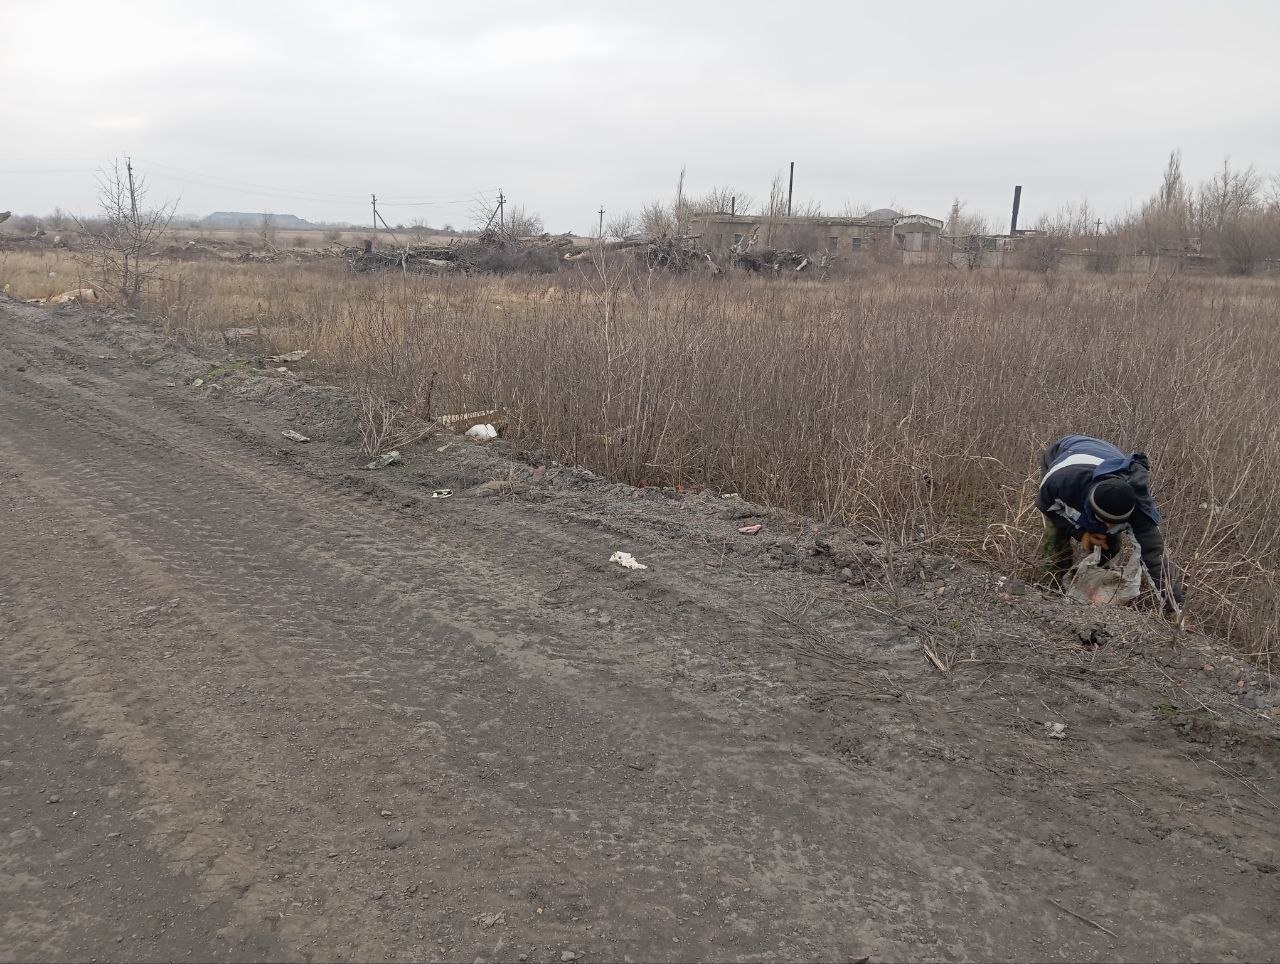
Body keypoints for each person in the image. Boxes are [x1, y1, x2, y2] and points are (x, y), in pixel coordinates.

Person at [1035, 434, 1183, 612]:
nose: (1109, 527)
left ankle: (1093, 594)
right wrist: (1081, 533)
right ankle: (1052, 594)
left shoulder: (1140, 512)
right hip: (1065, 452)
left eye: (1115, 523)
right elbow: (1047, 506)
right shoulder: (1061, 482)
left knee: (1108, 542)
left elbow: (1155, 559)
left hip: (1106, 458)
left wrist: (1176, 608)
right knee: (1056, 539)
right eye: (1105, 521)